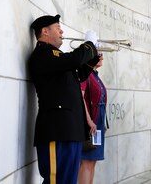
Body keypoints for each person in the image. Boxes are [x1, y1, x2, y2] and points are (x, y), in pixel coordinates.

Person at [28, 14, 100, 184]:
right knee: (57, 180)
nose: (62, 31)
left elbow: (77, 74)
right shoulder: (42, 54)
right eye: (57, 28)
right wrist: (89, 45)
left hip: (69, 129)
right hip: (56, 129)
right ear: (45, 32)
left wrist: (93, 57)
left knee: (67, 180)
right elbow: (73, 60)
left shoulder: (57, 58)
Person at [78, 50, 108, 184]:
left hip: (99, 121)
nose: (101, 56)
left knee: (93, 160)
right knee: (87, 160)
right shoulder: (86, 74)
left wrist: (104, 122)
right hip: (92, 122)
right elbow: (80, 96)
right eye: (98, 53)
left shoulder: (95, 75)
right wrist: (89, 120)